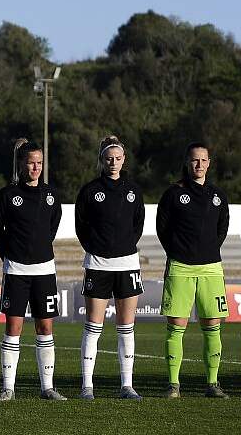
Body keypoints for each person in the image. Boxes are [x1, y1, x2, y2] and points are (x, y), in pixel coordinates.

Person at [0, 139, 67, 401]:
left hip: (44, 270)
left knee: (45, 328)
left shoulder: (51, 195)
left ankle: (47, 387)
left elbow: (52, 227)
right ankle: (8, 388)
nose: (35, 167)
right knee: (13, 328)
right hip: (15, 271)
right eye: (30, 163)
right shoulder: (7, 195)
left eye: (39, 163)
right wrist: (10, 257)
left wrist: (39, 248)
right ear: (21, 164)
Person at [156, 142, 229, 399]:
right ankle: (173, 385)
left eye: (204, 160)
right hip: (180, 267)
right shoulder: (173, 194)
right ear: (187, 163)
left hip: (211, 268)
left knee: (212, 325)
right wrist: (180, 251)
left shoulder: (218, 195)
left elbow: (222, 229)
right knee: (177, 325)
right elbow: (162, 229)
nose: (199, 165)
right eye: (194, 160)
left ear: (209, 163)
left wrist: (206, 251)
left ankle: (212, 383)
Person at [75, 135, 146, 400]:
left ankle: (127, 385)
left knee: (126, 327)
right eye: (108, 159)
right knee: (93, 326)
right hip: (98, 264)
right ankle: (87, 386)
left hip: (127, 263)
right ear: (101, 160)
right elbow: (81, 226)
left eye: (117, 158)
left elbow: (137, 224)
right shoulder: (90, 190)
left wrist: (123, 246)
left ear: (124, 159)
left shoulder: (133, 190)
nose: (113, 162)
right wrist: (97, 247)